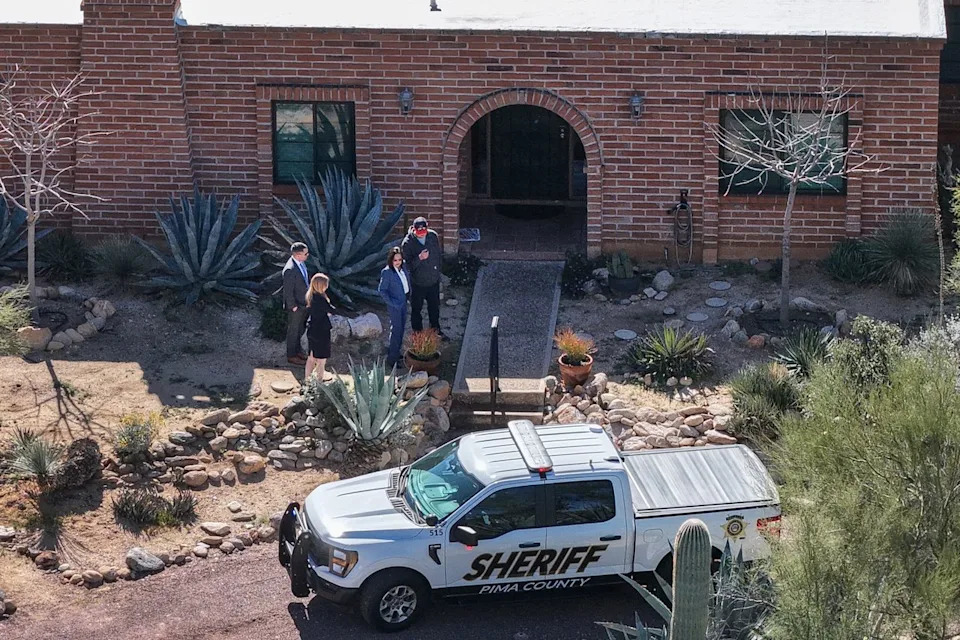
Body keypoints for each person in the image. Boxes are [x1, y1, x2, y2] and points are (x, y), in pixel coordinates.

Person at [400, 216, 447, 340]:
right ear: (414, 230)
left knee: (434, 308)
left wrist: (438, 274)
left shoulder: (433, 236)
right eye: (419, 232)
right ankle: (418, 335)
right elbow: (407, 266)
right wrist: (419, 258)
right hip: (418, 283)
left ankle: (435, 330)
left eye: (423, 232)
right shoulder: (408, 243)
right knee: (416, 310)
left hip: (433, 281)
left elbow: (438, 256)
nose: (421, 235)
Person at [378, 246, 411, 368]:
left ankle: (396, 353)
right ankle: (392, 359)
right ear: (391, 260)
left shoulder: (403, 268)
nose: (398, 262)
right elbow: (382, 291)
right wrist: (392, 303)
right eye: (395, 260)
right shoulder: (387, 272)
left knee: (401, 329)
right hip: (395, 305)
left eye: (400, 260)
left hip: (403, 302)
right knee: (396, 330)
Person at [282, 242, 310, 365]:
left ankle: (297, 351)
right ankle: (291, 355)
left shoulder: (301, 264)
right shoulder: (290, 269)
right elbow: (288, 290)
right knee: (293, 330)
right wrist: (292, 306)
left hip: (303, 304)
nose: (307, 255)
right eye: (306, 253)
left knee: (299, 329)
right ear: (298, 255)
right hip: (296, 306)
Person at [305, 273, 335, 382]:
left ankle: (307, 381)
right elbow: (331, 310)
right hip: (321, 331)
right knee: (322, 360)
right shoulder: (321, 300)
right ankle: (319, 383)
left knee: (311, 358)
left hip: (312, 329)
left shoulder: (311, 296)